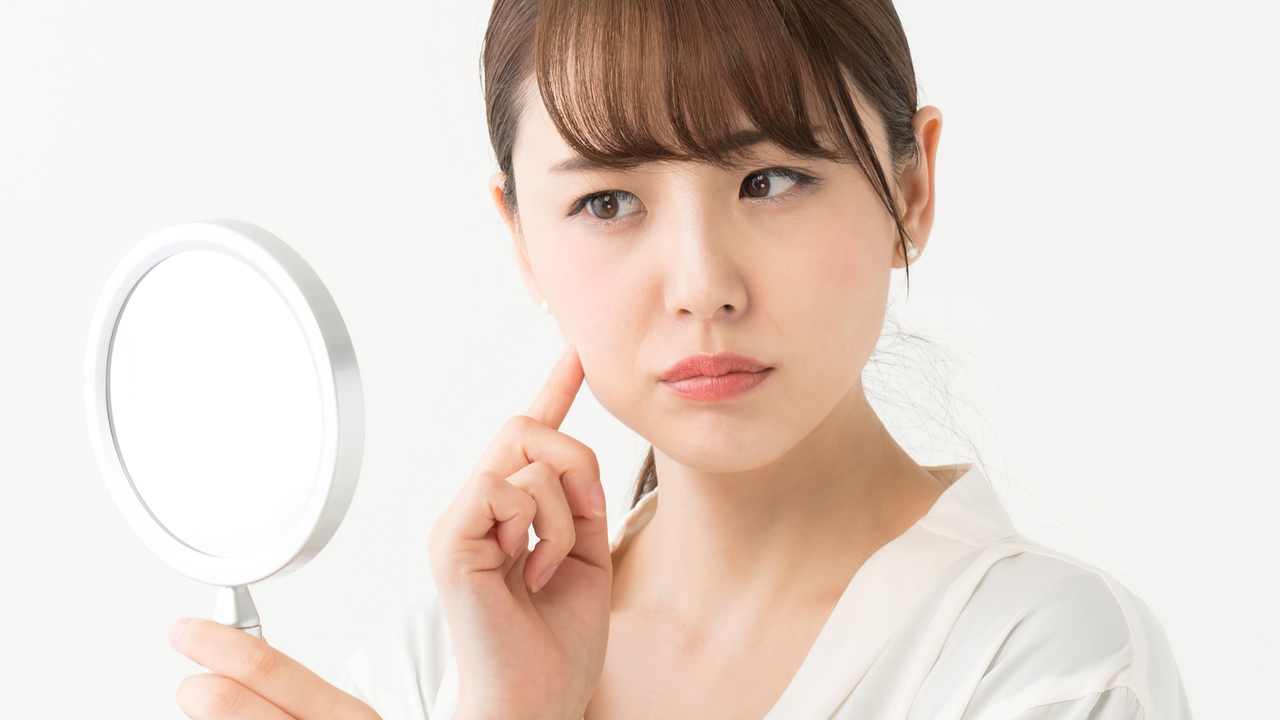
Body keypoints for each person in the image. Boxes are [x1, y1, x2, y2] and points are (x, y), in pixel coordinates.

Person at [165, 0, 1193, 718]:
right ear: (521, 238)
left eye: (771, 180)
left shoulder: (1044, 663)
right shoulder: (428, 674)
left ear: (911, 189)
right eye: (608, 202)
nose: (702, 285)